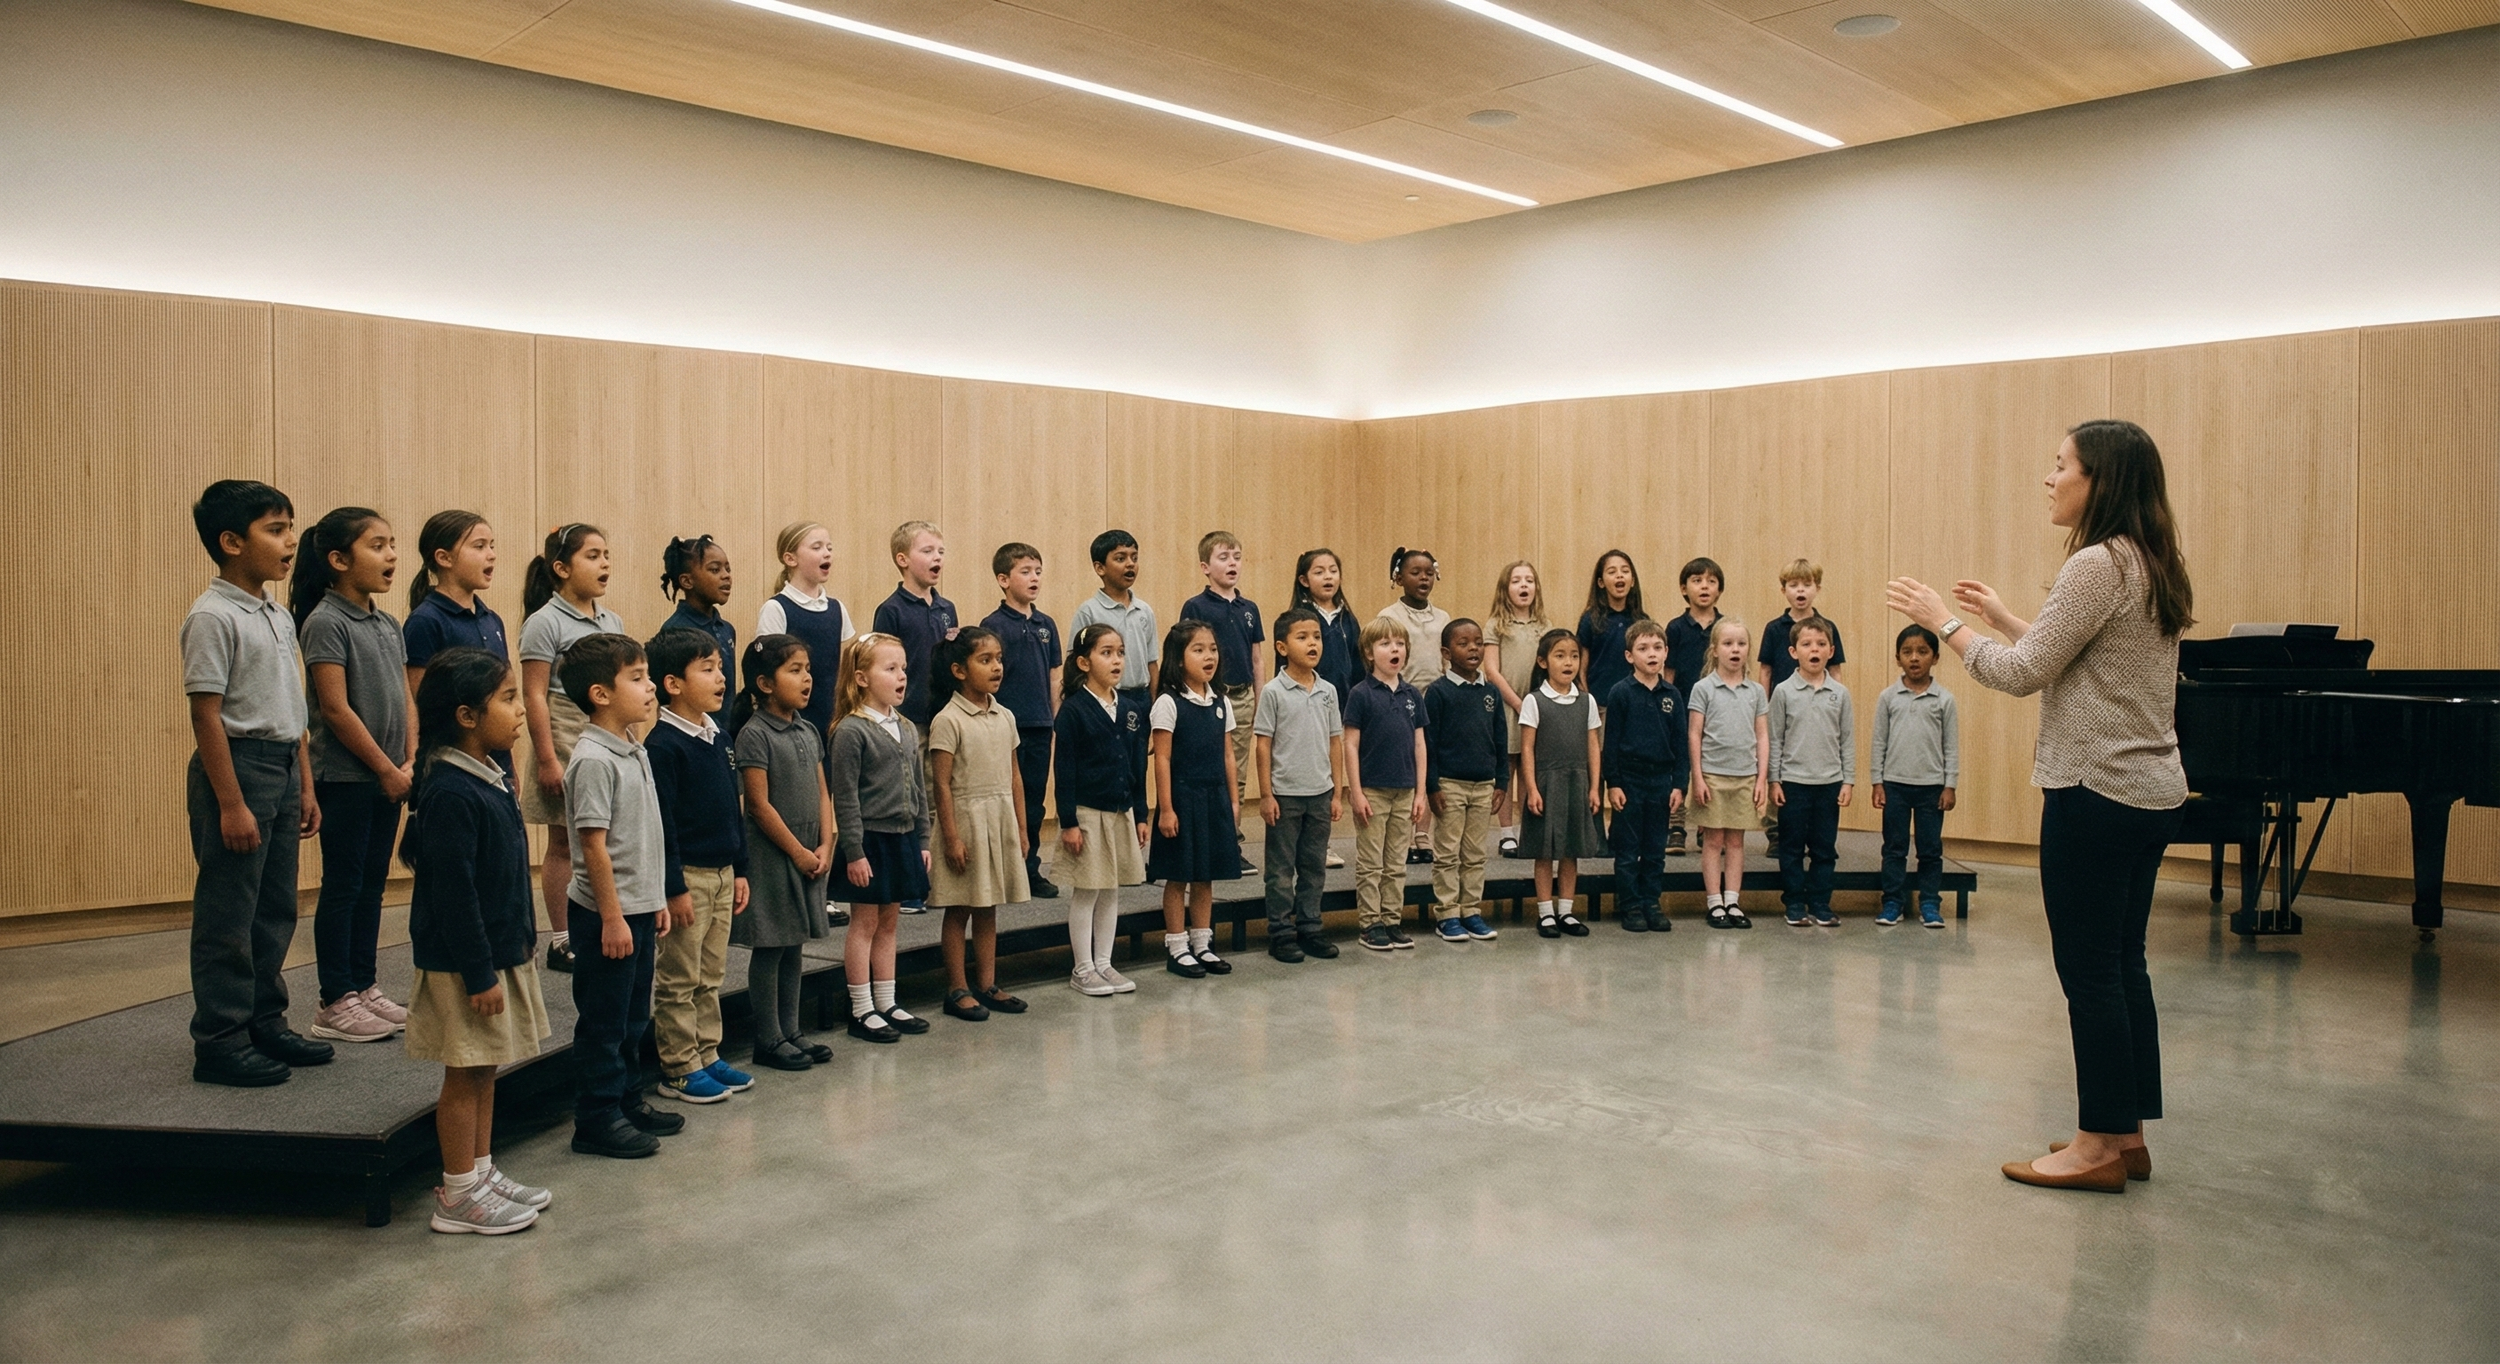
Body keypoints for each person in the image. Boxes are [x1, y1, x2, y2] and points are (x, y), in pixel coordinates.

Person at [1888, 418, 2193, 1193]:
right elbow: (2079, 659)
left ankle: (2095, 1147)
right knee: (2124, 963)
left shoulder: (2095, 562)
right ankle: (2125, 1133)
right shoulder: (2150, 560)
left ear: (2101, 481)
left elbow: (2022, 675)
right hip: (2149, 792)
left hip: (2095, 790)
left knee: (2089, 971)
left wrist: (1943, 624)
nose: (2049, 479)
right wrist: (2002, 619)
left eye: (2061, 466)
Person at [181, 480, 332, 1088]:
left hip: (281, 762)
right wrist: (231, 803)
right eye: (275, 529)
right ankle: (219, 1039)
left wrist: (305, 783)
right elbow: (205, 714)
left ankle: (263, 1020)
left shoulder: (275, 612)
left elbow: (292, 705)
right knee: (229, 914)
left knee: (274, 909)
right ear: (230, 542)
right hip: (237, 768)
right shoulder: (212, 615)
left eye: (291, 526)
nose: (291, 540)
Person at [399, 648, 552, 1234]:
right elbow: (454, 896)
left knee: (485, 1065)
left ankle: (481, 1170)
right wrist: (480, 972)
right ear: (466, 715)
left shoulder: (486, 775)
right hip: (463, 964)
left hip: (494, 952)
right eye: (509, 698)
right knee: (464, 1071)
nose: (519, 711)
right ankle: (458, 1194)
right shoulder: (451, 791)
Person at [557, 633, 683, 1160]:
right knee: (605, 1022)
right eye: (637, 678)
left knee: (634, 1017)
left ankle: (628, 1098)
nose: (650, 686)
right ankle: (597, 1117)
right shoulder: (592, 759)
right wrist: (611, 917)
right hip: (605, 915)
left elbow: (646, 834)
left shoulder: (633, 748)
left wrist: (654, 897)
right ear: (600, 693)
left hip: (636, 906)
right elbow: (594, 847)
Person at [292, 507, 413, 1044]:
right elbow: (336, 710)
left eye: (392, 544)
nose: (391, 555)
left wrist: (409, 760)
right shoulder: (325, 621)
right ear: (339, 560)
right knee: (342, 887)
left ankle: (364, 985)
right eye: (377, 545)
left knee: (371, 886)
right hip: (347, 779)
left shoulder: (387, 623)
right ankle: (333, 999)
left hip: (389, 777)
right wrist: (386, 768)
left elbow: (406, 698)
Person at [644, 628, 752, 1103]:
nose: (720, 677)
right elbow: (662, 823)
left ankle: (707, 1052)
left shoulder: (719, 735)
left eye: (720, 668)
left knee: (712, 974)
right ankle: (678, 1065)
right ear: (672, 683)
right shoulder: (663, 745)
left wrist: (742, 867)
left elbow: (734, 805)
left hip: (724, 872)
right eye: (706, 669)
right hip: (688, 877)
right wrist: (673, 887)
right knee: (679, 977)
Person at [518, 523, 622, 972]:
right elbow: (534, 694)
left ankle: (603, 921)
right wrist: (546, 757)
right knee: (565, 839)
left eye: (605, 555)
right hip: (563, 730)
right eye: (592, 556)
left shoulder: (611, 620)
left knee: (603, 836)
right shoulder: (544, 622)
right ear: (561, 569)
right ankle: (562, 939)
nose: (604, 564)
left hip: (607, 732)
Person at [729, 634, 833, 1069]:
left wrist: (828, 843)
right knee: (771, 946)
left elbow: (824, 794)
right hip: (774, 855)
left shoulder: (807, 729)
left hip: (810, 851)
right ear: (764, 683)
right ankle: (767, 1038)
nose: (807, 678)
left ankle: (792, 1030)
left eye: (808, 669)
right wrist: (798, 852)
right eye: (794, 670)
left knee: (794, 945)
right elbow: (758, 805)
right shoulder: (755, 735)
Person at [826, 633, 933, 1042]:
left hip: (903, 838)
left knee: (890, 922)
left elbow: (918, 790)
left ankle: (886, 1000)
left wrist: (923, 839)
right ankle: (861, 1008)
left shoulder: (905, 727)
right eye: (890, 669)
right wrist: (853, 851)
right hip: (869, 841)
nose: (901, 675)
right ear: (861, 678)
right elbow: (847, 798)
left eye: (903, 668)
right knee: (865, 923)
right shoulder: (852, 730)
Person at [926, 627, 1034, 1021]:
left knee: (989, 907)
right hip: (966, 824)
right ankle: (956, 988)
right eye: (984, 660)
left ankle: (987, 983)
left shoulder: (1005, 715)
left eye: (999, 659)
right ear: (958, 669)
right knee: (959, 909)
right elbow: (940, 783)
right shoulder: (948, 720)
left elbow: (1015, 776)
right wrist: (951, 837)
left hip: (999, 819)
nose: (996, 667)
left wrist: (1022, 830)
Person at [1053, 623, 1150, 995]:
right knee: (1088, 890)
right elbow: (1064, 770)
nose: (1116, 660)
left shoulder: (1129, 708)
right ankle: (1082, 968)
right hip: (1087, 813)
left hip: (1120, 812)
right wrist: (1069, 822)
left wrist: (1140, 814)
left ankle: (1105, 963)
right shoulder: (1074, 711)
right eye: (1106, 652)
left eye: (1120, 652)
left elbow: (1136, 765)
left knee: (1111, 889)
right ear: (1083, 661)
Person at [1145, 619, 1240, 977]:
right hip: (1182, 798)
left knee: (1206, 875)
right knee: (1179, 875)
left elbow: (1228, 755)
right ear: (1178, 657)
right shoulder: (1169, 703)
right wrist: (1165, 808)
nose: (1208, 656)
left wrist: (1233, 801)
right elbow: (1163, 759)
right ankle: (1177, 946)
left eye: (1212, 649)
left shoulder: (1221, 702)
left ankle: (1203, 944)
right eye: (1198, 649)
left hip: (1214, 796)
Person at [1255, 607, 1346, 964]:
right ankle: (1280, 932)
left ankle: (1310, 927)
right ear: (1281, 647)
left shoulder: (1328, 691)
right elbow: (1263, 744)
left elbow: (1335, 740)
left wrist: (1338, 791)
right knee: (1280, 870)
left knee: (1313, 867)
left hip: (1320, 794)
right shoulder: (1273, 692)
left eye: (1317, 637)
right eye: (1302, 637)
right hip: (1285, 795)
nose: (1312, 643)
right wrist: (1265, 794)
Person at [401, 511, 508, 773]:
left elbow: (504, 695)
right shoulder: (426, 621)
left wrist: (510, 767)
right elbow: (421, 704)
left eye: (492, 546)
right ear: (444, 557)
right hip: (452, 761)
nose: (491, 554)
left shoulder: (492, 620)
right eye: (479, 546)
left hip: (496, 759)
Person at [983, 542, 1062, 898]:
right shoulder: (993, 625)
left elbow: (1055, 677)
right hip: (1004, 727)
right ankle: (1001, 869)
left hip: (1040, 725)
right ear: (1003, 579)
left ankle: (1030, 869)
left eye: (1038, 571)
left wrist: (1055, 719)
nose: (1034, 578)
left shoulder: (1046, 624)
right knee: (1002, 798)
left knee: (1033, 800)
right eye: (1025, 572)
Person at [1181, 532, 1264, 864]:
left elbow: (1257, 659)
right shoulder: (1196, 606)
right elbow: (1186, 653)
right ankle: (1204, 840)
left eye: (1237, 556)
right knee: (1206, 768)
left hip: (1242, 699)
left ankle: (1232, 841)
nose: (1232, 563)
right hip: (1207, 700)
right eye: (1223, 557)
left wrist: (1261, 701)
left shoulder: (1250, 609)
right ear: (1205, 566)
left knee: (1236, 773)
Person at [1345, 618, 1427, 952]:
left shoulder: (1412, 695)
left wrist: (1420, 792)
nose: (1394, 649)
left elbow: (1420, 745)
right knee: (1371, 863)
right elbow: (1350, 745)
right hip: (1374, 791)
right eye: (1385, 643)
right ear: (1368, 652)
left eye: (1399, 643)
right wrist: (1356, 791)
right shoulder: (1361, 694)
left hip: (1405, 790)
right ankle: (1370, 923)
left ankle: (1392, 920)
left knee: (1396, 862)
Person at [1768, 616, 1854, 929]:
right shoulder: (1783, 691)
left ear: (1831, 651)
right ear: (1794, 652)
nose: (1813, 650)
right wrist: (1773, 779)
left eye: (1820, 644)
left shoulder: (1840, 694)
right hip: (1792, 783)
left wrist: (1848, 780)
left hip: (1829, 783)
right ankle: (1793, 902)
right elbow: (1775, 737)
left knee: (1824, 848)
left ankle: (1820, 903)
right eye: (1806, 644)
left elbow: (1847, 739)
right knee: (1790, 847)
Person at [1602, 619, 1687, 934]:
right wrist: (1614, 783)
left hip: (1661, 783)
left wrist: (1679, 784)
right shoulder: (1621, 693)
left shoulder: (1673, 696)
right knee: (1627, 850)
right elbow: (1610, 745)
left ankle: (1652, 902)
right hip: (1630, 782)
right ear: (1629, 656)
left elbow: (1680, 744)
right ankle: (1631, 905)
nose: (1651, 654)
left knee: (1654, 849)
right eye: (1643, 648)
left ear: (1666, 652)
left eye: (1657, 647)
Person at [1872, 624, 1959, 928]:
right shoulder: (1888, 698)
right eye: (1907, 652)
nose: (1914, 658)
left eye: (1922, 651)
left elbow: (1951, 746)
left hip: (1931, 789)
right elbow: (1879, 742)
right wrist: (1877, 782)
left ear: (1935, 657)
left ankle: (1930, 904)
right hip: (1894, 785)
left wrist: (1950, 785)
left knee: (1930, 850)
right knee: (1894, 848)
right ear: (1897, 658)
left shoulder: (1944, 700)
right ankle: (1892, 902)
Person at [1517, 629, 1603, 938]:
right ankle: (1545, 913)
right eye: (1560, 655)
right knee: (1545, 850)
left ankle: (1566, 911)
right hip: (1546, 783)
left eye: (1574, 656)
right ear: (1543, 661)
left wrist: (1594, 787)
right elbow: (1527, 747)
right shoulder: (1534, 700)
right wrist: (1532, 789)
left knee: (1570, 850)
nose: (1569, 662)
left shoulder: (1587, 701)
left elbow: (1593, 744)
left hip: (1576, 782)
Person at [1424, 619, 1505, 944]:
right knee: (1447, 853)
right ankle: (1447, 915)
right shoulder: (1439, 693)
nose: (1473, 648)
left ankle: (1471, 911)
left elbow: (1500, 739)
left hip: (1483, 784)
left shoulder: (1491, 693)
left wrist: (1502, 781)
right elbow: (1429, 744)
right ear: (1446, 652)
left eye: (1478, 642)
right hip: (1450, 784)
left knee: (1474, 853)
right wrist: (1432, 786)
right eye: (1463, 643)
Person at [1688, 617, 1768, 930]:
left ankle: (1733, 900)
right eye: (1728, 643)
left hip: (1745, 776)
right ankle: (1714, 902)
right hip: (1712, 775)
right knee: (1713, 840)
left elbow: (1762, 735)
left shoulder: (1756, 691)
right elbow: (1695, 733)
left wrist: (1761, 778)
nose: (1735, 650)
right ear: (1715, 650)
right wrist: (1698, 775)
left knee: (1736, 842)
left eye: (1741, 644)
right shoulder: (1703, 688)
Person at [1377, 547, 1449, 865]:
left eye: (1428, 572)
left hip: (1435, 702)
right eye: (1415, 573)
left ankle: (1422, 833)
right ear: (1399, 577)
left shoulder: (1444, 617)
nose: (1423, 578)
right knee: (1405, 769)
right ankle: (1402, 836)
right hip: (1401, 699)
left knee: (1429, 767)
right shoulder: (1389, 616)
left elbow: (1447, 659)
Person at [754, 520, 856, 738]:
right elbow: (767, 669)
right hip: (790, 725)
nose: (827, 553)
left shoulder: (837, 609)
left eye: (829, 547)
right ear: (790, 559)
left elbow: (842, 670)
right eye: (816, 547)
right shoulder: (776, 608)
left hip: (831, 721)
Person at [1289, 547, 1358, 870]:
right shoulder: (1299, 619)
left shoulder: (1347, 618)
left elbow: (1359, 665)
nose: (1328, 576)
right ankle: (1308, 844)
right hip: (1307, 707)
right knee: (1311, 777)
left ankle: (1324, 842)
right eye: (1319, 571)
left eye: (1333, 570)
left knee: (1332, 777)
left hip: (1341, 708)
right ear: (1304, 580)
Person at [1481, 559, 1549, 859]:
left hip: (1536, 707)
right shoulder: (1496, 625)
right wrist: (1519, 703)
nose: (1524, 586)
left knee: (1528, 769)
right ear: (1505, 589)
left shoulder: (1545, 627)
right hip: (1509, 707)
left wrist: (1536, 704)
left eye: (1529, 580)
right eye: (1517, 581)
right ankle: (1506, 833)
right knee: (1506, 770)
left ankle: (1525, 832)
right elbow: (1492, 672)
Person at [1661, 557, 1724, 857]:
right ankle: (1676, 826)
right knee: (1679, 766)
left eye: (1711, 581)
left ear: (1719, 590)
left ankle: (1706, 826)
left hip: (1717, 709)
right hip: (1682, 707)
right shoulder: (1675, 627)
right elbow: (1668, 672)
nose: (1704, 586)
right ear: (1684, 589)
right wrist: (1667, 705)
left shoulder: (1724, 627)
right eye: (1697, 580)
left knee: (1709, 765)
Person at [874, 519, 957, 741]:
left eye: (940, 551)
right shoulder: (891, 610)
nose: (937, 557)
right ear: (903, 559)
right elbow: (881, 665)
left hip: (946, 714)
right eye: (927, 551)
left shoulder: (946, 608)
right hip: (908, 716)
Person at [1069, 529, 1158, 711]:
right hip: (1102, 698)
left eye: (1134, 558)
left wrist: (1156, 701)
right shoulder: (1088, 611)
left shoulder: (1144, 611)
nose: (1130, 564)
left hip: (1141, 698)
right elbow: (1074, 662)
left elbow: (1152, 662)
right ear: (1100, 568)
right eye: (1120, 559)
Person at [658, 534, 738, 699]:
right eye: (715, 569)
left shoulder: (727, 629)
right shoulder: (676, 631)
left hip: (725, 726)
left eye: (727, 569)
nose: (726, 576)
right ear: (687, 581)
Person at [1577, 549, 1647, 717]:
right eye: (1612, 571)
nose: (1619, 576)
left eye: (1625, 571)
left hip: (1635, 704)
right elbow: (1581, 669)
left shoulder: (1642, 622)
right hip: (1600, 706)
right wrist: (1589, 702)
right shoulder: (1590, 619)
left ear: (1632, 581)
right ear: (1601, 582)